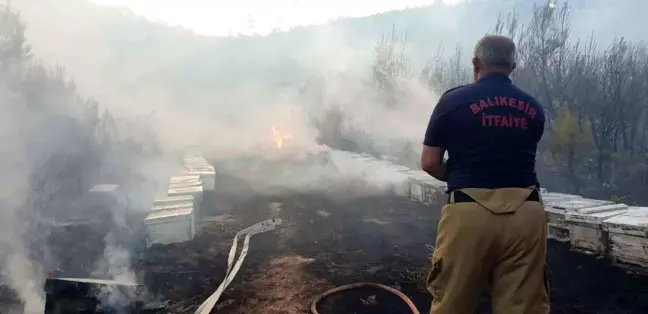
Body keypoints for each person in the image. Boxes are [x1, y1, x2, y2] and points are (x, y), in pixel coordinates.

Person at [420, 35, 549, 314]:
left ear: (476, 63)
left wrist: (461, 174)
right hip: (527, 213)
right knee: (523, 306)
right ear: (512, 67)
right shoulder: (534, 108)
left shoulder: (453, 101)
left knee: (453, 301)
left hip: (469, 213)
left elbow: (429, 162)